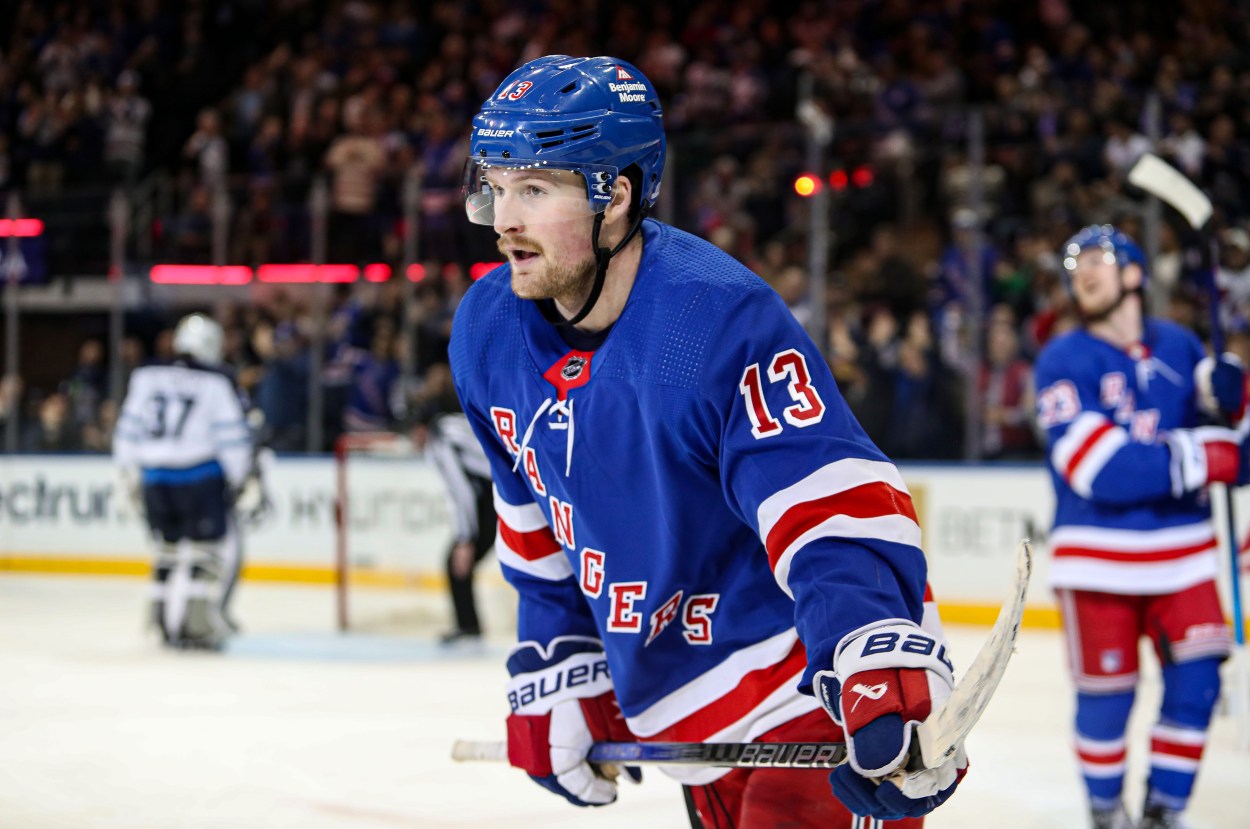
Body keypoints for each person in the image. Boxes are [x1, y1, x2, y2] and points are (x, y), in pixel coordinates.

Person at [448, 55, 966, 828]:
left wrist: (870, 646)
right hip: (682, 709)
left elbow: (824, 503)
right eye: (494, 184)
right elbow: (530, 514)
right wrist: (558, 654)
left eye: (534, 187)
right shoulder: (485, 329)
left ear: (614, 195)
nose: (503, 218)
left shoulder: (713, 321)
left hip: (802, 685)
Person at [1033, 225, 1246, 829]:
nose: (1083, 274)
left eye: (1097, 260)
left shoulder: (1180, 346)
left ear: (1133, 273)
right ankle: (1107, 814)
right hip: (1098, 561)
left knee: (1198, 689)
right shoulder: (1062, 358)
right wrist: (1204, 453)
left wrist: (1236, 394)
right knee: (1106, 704)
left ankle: (1163, 814)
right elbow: (1101, 471)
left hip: (1187, 558)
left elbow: (1243, 448)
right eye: (1074, 267)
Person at [113, 314, 253, 650]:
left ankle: (159, 619)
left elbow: (128, 428)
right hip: (200, 477)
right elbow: (233, 438)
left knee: (166, 551)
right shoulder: (217, 382)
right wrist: (237, 478)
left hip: (154, 477)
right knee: (206, 553)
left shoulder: (146, 376)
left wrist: (127, 472)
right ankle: (196, 624)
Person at [408, 366, 495, 645]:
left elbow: (461, 492)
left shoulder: (440, 439)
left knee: (456, 562)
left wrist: (465, 539)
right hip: (509, 484)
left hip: (502, 491)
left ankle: (468, 627)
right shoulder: (453, 425)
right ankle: (469, 625)